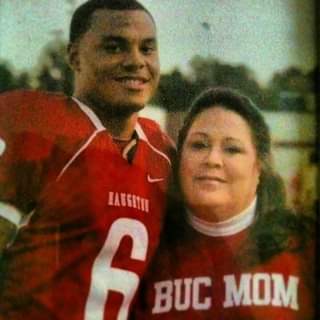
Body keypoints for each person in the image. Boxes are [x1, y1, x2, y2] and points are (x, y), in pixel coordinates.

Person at [0, 0, 174, 319]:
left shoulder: (164, 152)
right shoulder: (38, 127)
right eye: (114, 47)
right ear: (74, 56)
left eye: (147, 49)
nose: (136, 61)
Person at [131, 87, 315, 319]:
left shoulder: (304, 247)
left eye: (232, 149)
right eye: (199, 145)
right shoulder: (145, 249)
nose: (212, 160)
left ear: (259, 167)